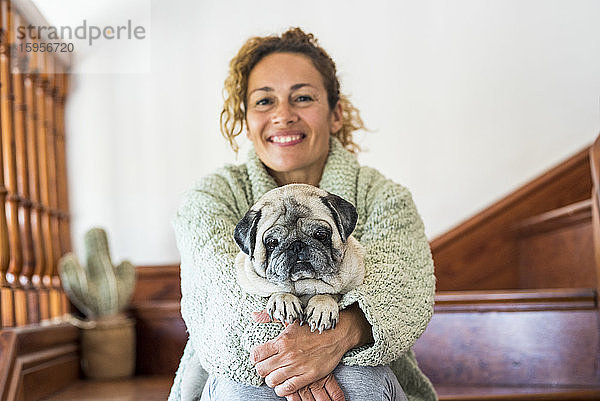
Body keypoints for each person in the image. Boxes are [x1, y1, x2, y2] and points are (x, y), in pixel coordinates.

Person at [168, 27, 437, 401]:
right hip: (242, 363)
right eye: (264, 102)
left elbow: (405, 288)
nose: (283, 115)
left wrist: (344, 333)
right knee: (242, 387)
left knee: (359, 379)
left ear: (336, 114)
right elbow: (217, 303)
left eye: (303, 97)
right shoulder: (208, 197)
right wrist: (300, 355)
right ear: (246, 120)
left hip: (362, 367)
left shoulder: (385, 196)